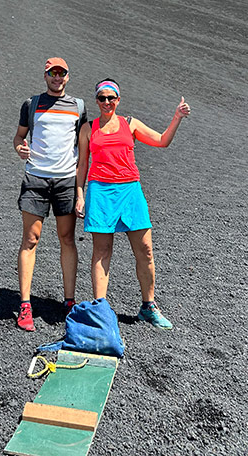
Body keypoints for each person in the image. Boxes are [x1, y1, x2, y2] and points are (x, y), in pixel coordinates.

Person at [75, 79, 190, 329]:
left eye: (111, 98)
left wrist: (177, 117)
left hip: (130, 191)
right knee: (101, 252)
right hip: (101, 192)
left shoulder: (130, 124)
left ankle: (148, 306)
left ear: (118, 100)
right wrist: (80, 194)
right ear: (96, 100)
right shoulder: (88, 128)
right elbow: (82, 165)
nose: (107, 102)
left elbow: (161, 140)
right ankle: (100, 310)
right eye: (102, 98)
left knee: (145, 250)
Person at [13, 58, 87, 331]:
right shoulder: (31, 104)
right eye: (52, 73)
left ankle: (69, 302)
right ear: (45, 76)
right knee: (30, 239)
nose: (57, 78)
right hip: (36, 179)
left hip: (66, 181)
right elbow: (19, 137)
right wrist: (19, 147)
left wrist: (81, 190)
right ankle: (24, 304)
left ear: (68, 76)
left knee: (67, 238)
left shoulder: (78, 107)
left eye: (62, 73)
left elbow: (83, 149)